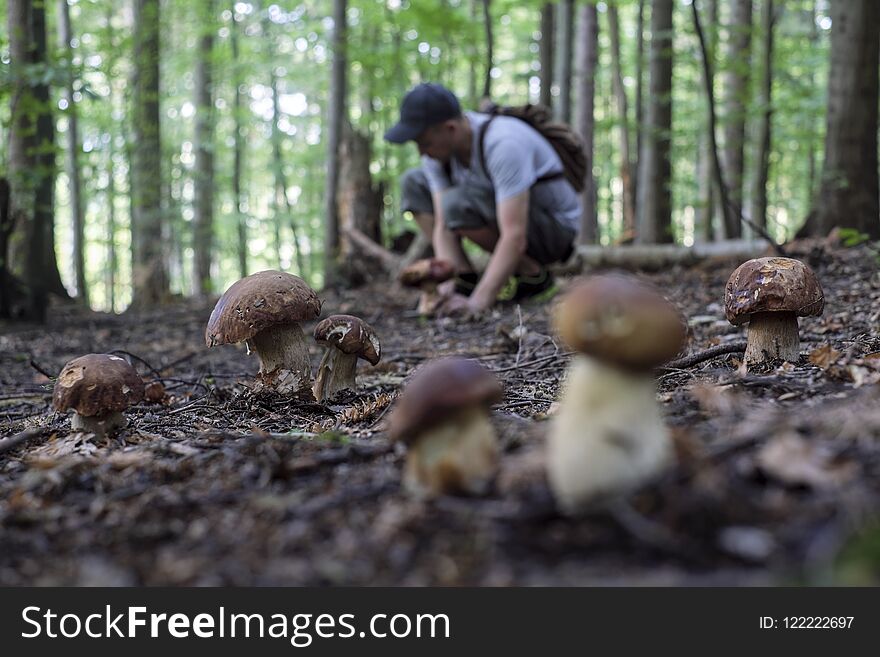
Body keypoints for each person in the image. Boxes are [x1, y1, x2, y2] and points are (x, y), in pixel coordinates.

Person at [385, 82, 581, 316]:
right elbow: (442, 224)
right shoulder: (437, 156)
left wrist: (477, 303)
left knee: (455, 203)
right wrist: (447, 285)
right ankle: (464, 278)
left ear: (450, 128)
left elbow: (514, 236)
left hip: (553, 232)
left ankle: (534, 275)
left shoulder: (504, 143)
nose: (421, 152)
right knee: (413, 182)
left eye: (424, 142)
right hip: (508, 219)